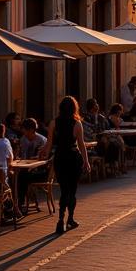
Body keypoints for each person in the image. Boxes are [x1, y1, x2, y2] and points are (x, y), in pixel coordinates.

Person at [40, 97, 91, 235]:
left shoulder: (53, 123)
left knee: (63, 190)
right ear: (75, 108)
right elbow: (81, 145)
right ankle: (70, 218)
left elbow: (49, 144)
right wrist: (86, 161)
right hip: (73, 158)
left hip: (60, 157)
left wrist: (44, 152)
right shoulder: (77, 124)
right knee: (72, 190)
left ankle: (60, 220)